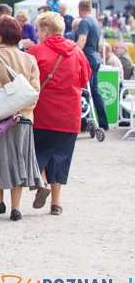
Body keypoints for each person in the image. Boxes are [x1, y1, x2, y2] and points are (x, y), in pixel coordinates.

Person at [0, 17, 44, 221]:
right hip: (22, 118)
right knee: (19, 160)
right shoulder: (29, 59)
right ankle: (16, 207)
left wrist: (1, 109)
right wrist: (19, 111)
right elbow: (35, 91)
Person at [28, 12, 90, 216]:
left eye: (38, 30)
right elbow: (84, 79)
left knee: (37, 151)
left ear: (46, 30)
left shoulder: (36, 51)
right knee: (62, 157)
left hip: (42, 113)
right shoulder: (77, 52)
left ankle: (42, 181)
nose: (37, 34)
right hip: (69, 115)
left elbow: (28, 81)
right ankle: (56, 203)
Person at [75, 0, 109, 131]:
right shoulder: (95, 21)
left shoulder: (84, 22)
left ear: (79, 9)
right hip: (95, 58)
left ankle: (85, 121)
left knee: (87, 91)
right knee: (95, 91)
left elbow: (82, 39)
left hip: (87, 59)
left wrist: (73, 53)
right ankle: (103, 122)